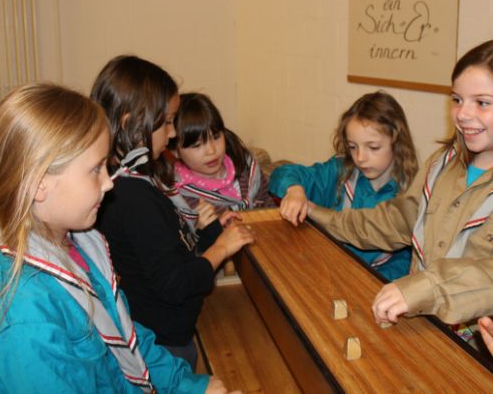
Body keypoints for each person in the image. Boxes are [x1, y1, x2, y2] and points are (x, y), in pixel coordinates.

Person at [0, 83, 233, 393]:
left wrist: (187, 385)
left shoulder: (81, 244)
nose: (109, 184)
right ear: (39, 183)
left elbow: (124, 335)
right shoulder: (24, 312)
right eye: (95, 170)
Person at [303, 40, 493, 330]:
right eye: (457, 99)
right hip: (425, 324)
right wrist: (316, 213)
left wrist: (422, 289)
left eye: (482, 102)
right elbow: (394, 221)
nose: (463, 114)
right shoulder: (441, 164)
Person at [92, 56, 256, 371]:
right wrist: (221, 249)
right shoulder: (132, 197)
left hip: (168, 336)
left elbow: (172, 251)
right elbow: (177, 284)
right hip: (165, 347)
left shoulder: (136, 181)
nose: (171, 134)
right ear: (131, 124)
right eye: (167, 122)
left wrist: (211, 232)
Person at [269, 91, 418, 281]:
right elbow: (282, 173)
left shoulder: (411, 193)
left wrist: (366, 282)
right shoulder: (340, 172)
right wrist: (294, 190)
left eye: (373, 147)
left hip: (368, 283)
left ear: (397, 143)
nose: (360, 158)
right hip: (320, 270)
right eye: (353, 147)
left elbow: (404, 262)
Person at [169, 92, 275, 232]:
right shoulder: (180, 197)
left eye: (216, 137)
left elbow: (269, 205)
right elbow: (185, 243)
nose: (211, 151)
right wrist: (202, 231)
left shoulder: (246, 165)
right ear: (175, 151)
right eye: (197, 145)